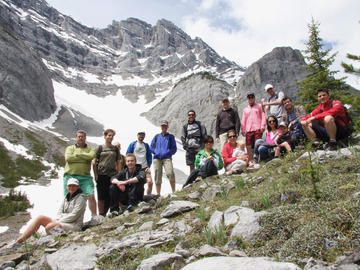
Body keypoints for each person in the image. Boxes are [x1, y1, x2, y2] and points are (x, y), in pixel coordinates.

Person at [3, 178, 86, 250]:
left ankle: (50, 242)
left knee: (50, 226)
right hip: (62, 221)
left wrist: (59, 221)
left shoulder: (81, 198)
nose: (72, 187)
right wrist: (58, 220)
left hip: (74, 225)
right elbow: (59, 212)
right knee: (40, 218)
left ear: (77, 187)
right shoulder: (66, 197)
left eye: (74, 186)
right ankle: (18, 242)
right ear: (67, 187)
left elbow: (75, 215)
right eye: (70, 186)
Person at [64, 130, 97, 217]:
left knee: (91, 195)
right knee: (68, 198)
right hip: (70, 176)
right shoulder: (70, 148)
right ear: (76, 138)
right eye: (79, 136)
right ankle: (67, 217)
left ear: (85, 138)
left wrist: (77, 155)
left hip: (85, 177)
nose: (81, 138)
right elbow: (68, 158)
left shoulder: (90, 149)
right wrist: (84, 157)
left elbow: (91, 156)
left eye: (82, 137)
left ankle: (94, 216)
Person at [92, 129, 122, 216]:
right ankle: (101, 214)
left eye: (112, 136)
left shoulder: (115, 149)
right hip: (101, 174)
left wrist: (119, 175)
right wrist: (96, 175)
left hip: (112, 174)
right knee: (101, 196)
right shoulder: (100, 148)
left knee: (112, 194)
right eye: (109, 135)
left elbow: (118, 162)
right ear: (105, 136)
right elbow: (94, 162)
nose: (110, 137)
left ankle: (112, 212)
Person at [150, 120, 177, 195]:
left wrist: (168, 153)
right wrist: (155, 152)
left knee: (170, 173)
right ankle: (158, 194)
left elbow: (174, 148)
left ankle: (174, 192)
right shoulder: (156, 136)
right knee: (157, 175)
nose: (164, 127)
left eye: (165, 126)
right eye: (162, 126)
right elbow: (151, 147)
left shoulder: (171, 137)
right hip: (157, 158)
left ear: (167, 127)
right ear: (160, 127)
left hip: (167, 158)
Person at [241, 92, 266, 160]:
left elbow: (263, 115)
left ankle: (258, 158)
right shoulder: (245, 109)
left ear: (254, 98)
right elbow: (243, 120)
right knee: (248, 145)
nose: (251, 99)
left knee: (257, 143)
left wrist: (263, 126)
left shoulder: (259, 106)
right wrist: (243, 130)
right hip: (249, 129)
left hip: (257, 128)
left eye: (252, 97)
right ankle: (251, 160)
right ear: (247, 99)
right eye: (249, 97)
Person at [126, 131, 153, 195]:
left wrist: (148, 166)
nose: (141, 136)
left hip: (144, 168)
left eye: (143, 135)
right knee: (136, 184)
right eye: (140, 134)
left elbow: (149, 157)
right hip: (135, 168)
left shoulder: (146, 145)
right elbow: (128, 155)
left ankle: (148, 197)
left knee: (150, 182)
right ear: (137, 135)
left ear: (144, 136)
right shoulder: (133, 144)